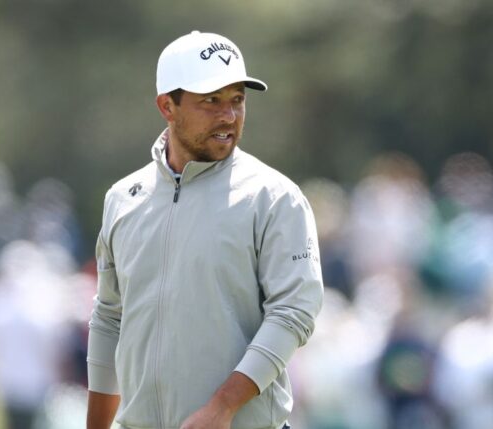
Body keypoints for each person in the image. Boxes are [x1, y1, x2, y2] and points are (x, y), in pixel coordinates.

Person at [86, 31, 324, 429]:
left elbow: (293, 313)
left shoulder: (275, 197)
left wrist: (222, 408)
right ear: (167, 106)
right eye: (210, 101)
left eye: (237, 100)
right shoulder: (123, 198)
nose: (228, 116)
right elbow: (110, 318)